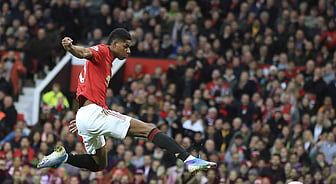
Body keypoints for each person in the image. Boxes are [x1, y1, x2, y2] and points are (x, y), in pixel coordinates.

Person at [37, 28, 215, 175]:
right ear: (114, 44)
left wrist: (84, 118)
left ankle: (65, 157)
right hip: (92, 113)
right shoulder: (103, 51)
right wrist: (71, 48)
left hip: (85, 115)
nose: (128, 51)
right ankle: (189, 160)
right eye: (126, 46)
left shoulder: (106, 63)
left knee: (99, 163)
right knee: (148, 129)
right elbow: (85, 52)